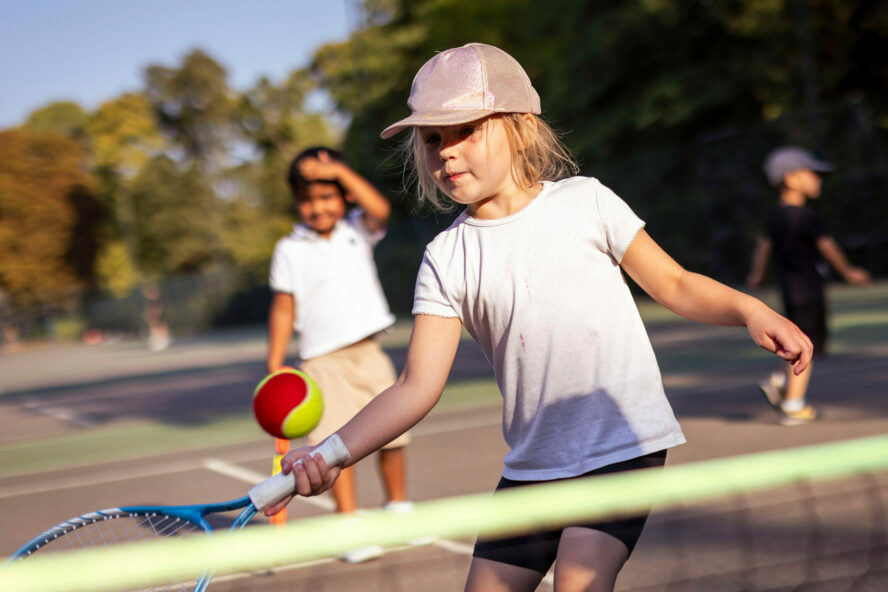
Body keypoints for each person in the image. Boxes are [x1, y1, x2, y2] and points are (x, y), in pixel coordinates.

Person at [267, 44, 813, 591]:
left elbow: (673, 284)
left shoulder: (587, 203)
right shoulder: (446, 257)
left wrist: (750, 308)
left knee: (576, 581)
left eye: (466, 130)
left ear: (521, 129)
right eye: (433, 139)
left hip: (620, 447)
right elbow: (415, 386)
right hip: (533, 467)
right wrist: (333, 452)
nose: (447, 153)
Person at [266, 146, 415, 563]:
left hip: (370, 352)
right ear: (296, 202)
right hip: (321, 362)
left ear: (344, 195)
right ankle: (349, 525)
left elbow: (380, 207)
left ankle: (399, 510)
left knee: (394, 434)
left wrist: (338, 170)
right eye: (308, 199)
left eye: (327, 194)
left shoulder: (358, 228)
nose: (317, 207)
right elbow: (282, 308)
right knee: (335, 447)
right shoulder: (289, 249)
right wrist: (275, 363)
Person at [748, 147, 870, 425]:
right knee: (806, 345)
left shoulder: (776, 216)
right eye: (812, 174)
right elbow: (827, 246)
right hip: (807, 290)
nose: (818, 180)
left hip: (790, 290)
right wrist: (848, 271)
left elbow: (763, 247)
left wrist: (757, 274)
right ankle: (793, 405)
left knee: (796, 341)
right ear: (791, 179)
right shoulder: (804, 216)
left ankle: (780, 382)